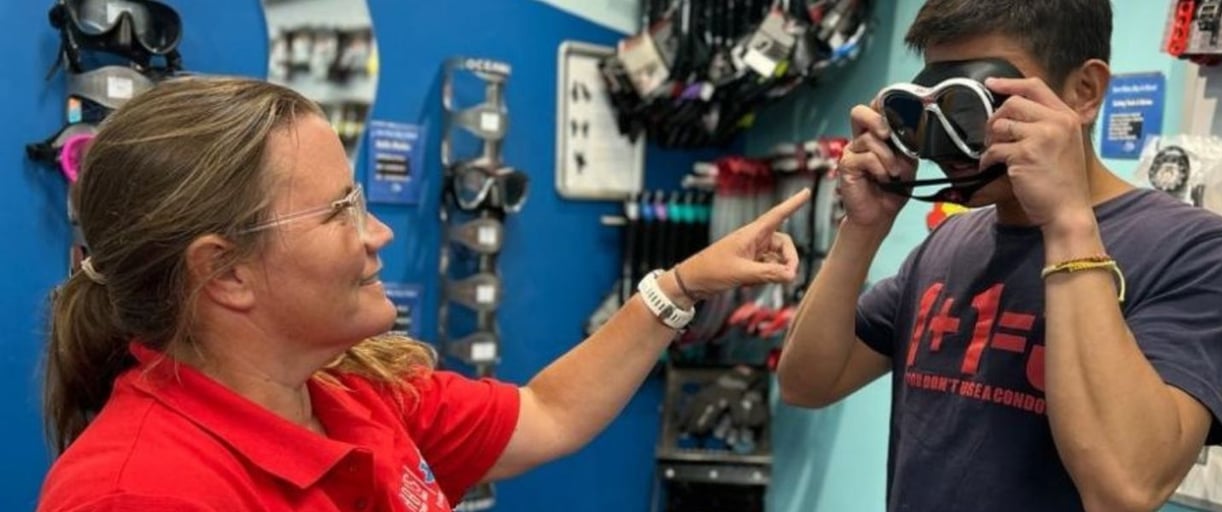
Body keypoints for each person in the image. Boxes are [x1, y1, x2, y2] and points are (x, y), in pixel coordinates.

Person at [37, 76, 811, 511]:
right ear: (224, 273)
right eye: (342, 211)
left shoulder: (351, 393)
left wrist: (681, 286)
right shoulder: (137, 493)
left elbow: (548, 414)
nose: (375, 236)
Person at [777, 1, 1222, 511]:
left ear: (1084, 92)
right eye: (929, 107)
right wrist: (862, 231)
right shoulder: (951, 243)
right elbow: (808, 382)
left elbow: (1124, 490)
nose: (951, 139)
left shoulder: (1196, 251)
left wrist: (1068, 222)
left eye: (974, 106)